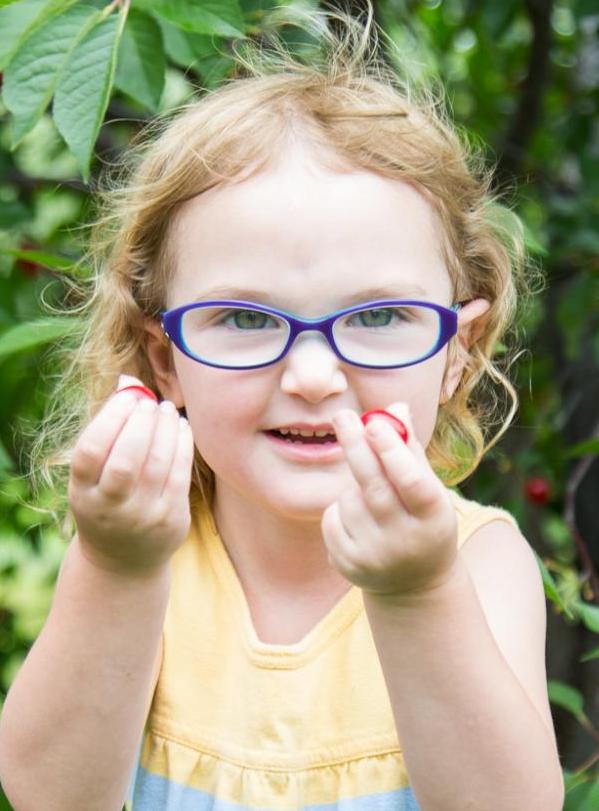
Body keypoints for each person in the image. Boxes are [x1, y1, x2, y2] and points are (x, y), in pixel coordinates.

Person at [0, 5, 564, 810]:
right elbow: (51, 795)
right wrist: (115, 567)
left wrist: (415, 592)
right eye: (243, 317)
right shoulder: (145, 546)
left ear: (455, 355)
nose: (310, 374)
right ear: (165, 359)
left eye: (374, 317)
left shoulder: (474, 562)